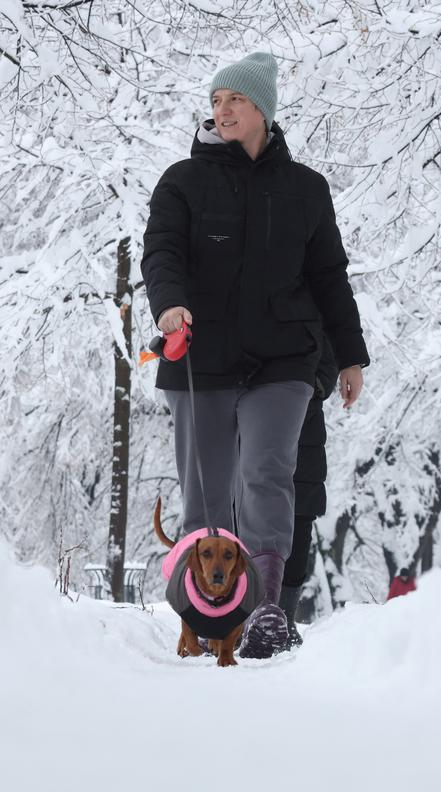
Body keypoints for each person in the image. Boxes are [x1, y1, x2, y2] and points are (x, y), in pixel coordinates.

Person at [142, 52, 369, 659]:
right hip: (200, 357)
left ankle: (265, 609)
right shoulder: (181, 182)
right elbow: (161, 251)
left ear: (262, 109)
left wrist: (350, 356)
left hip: (283, 358)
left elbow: (329, 277)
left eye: (234, 101)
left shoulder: (305, 190)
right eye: (215, 102)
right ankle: (202, 614)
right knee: (208, 493)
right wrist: (169, 306)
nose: (221, 112)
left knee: (267, 473)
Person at [279, 338, 338, 650]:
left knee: (300, 525)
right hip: (257, 413)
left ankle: (285, 617)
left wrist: (314, 386)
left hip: (307, 424)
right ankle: (251, 612)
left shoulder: (316, 303)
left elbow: (331, 352)